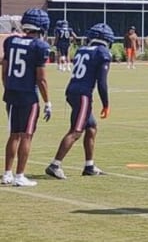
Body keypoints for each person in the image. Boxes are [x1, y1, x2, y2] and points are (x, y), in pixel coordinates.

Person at [45, 23, 114, 180]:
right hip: (83, 94)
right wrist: (106, 104)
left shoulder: (82, 50)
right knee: (76, 131)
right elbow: (102, 82)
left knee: (91, 127)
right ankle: (55, 165)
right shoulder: (102, 53)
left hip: (72, 91)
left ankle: (89, 166)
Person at [1, 8, 52, 187]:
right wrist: (48, 102)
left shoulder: (11, 41)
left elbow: (5, 70)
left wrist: (9, 88)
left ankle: (7, 173)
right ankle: (19, 175)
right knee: (26, 135)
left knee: (14, 134)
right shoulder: (40, 46)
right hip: (28, 95)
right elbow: (41, 79)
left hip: (12, 93)